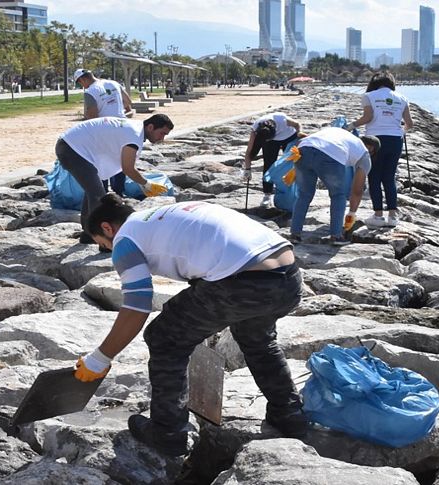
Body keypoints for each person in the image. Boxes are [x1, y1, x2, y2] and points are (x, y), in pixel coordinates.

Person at [74, 195, 306, 456]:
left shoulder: (125, 240)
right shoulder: (163, 215)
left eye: (103, 244)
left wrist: (100, 358)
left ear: (108, 228)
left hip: (243, 283)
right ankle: (290, 414)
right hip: (289, 277)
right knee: (256, 338)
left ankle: (167, 432)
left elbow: (137, 306)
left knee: (164, 337)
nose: (108, 249)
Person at [55, 114, 174, 244]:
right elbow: (127, 168)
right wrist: (146, 184)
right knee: (97, 194)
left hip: (71, 146)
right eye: (162, 133)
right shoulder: (134, 135)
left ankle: (89, 234)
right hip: (72, 149)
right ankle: (101, 239)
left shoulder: (134, 129)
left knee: (93, 191)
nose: (162, 138)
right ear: (150, 127)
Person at [289, 127, 380, 245]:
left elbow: (305, 142)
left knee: (304, 195)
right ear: (372, 150)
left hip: (303, 149)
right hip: (331, 154)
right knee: (338, 195)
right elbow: (357, 190)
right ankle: (336, 236)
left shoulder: (345, 136)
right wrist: (351, 214)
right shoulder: (365, 155)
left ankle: (294, 234)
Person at [345, 72, 413, 228]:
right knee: (389, 177)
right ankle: (393, 216)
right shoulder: (402, 98)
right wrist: (402, 131)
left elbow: (367, 118)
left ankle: (378, 215)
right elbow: (409, 123)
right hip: (395, 140)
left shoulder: (369, 96)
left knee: (374, 177)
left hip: (374, 141)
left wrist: (351, 126)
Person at [74, 68, 134, 196]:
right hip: (122, 127)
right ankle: (119, 191)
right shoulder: (113, 83)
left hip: (104, 129)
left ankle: (103, 191)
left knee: (101, 160)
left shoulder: (91, 91)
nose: (82, 86)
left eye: (80, 83)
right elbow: (128, 101)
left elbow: (92, 115)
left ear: (83, 79)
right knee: (119, 159)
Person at [243, 112, 302, 208]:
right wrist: (247, 169)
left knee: (292, 163)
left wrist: (299, 133)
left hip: (288, 136)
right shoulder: (256, 130)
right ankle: (267, 195)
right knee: (268, 164)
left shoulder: (282, 120)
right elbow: (249, 152)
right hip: (270, 140)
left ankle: (295, 194)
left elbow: (297, 124)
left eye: (267, 140)